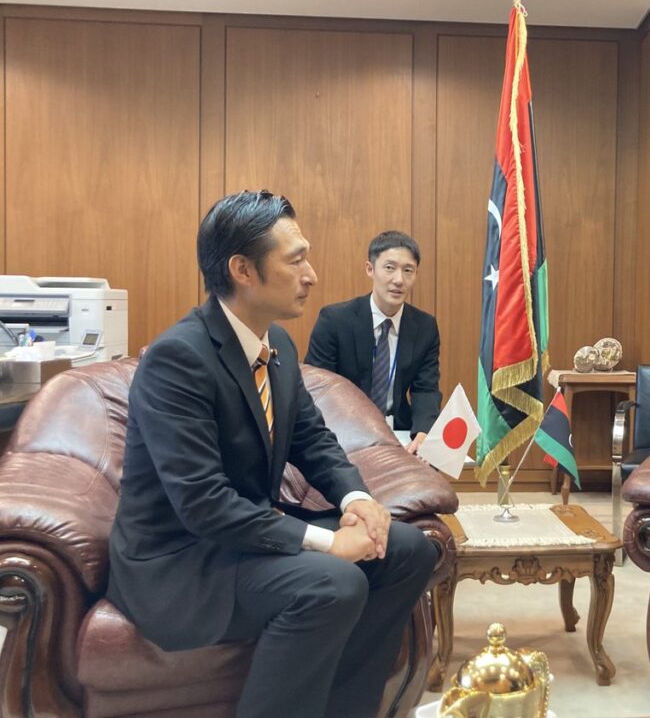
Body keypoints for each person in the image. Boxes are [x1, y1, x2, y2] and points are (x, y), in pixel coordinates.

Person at [106, 191, 436, 718]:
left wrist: (357, 499)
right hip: (183, 560)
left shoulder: (274, 342)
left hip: (246, 538)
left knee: (408, 549)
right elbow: (203, 504)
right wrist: (329, 543)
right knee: (334, 581)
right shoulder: (179, 359)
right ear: (243, 270)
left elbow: (313, 439)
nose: (312, 274)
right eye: (296, 259)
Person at [305, 230, 441, 455]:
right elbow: (317, 389)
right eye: (389, 268)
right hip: (342, 431)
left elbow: (425, 388)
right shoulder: (335, 320)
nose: (399, 279)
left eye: (408, 270)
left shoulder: (425, 326)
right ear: (370, 269)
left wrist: (423, 433)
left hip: (398, 432)